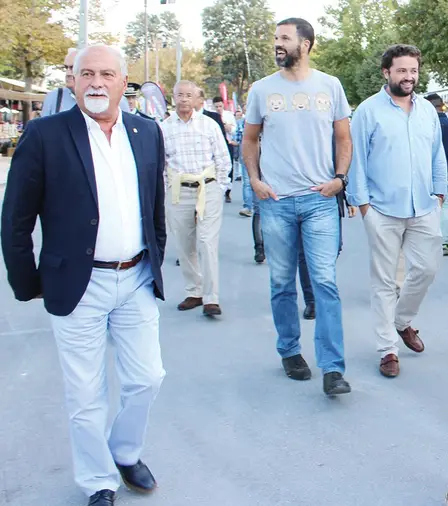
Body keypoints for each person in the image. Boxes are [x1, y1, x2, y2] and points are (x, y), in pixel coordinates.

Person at [1, 44, 167, 506]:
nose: (96, 82)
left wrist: (155, 260)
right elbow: (16, 216)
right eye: (86, 73)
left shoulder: (145, 131)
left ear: (123, 81)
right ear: (72, 81)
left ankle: (125, 451)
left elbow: (154, 207)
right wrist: (27, 281)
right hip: (78, 284)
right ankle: (98, 481)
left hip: (134, 279)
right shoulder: (44, 135)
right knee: (85, 394)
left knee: (147, 378)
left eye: (107, 74)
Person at [243, 17, 352, 396]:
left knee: (325, 282)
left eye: (284, 38)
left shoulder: (330, 86)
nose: (277, 43)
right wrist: (255, 181)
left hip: (319, 200)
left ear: (305, 44)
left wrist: (340, 179)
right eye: (275, 37)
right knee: (280, 282)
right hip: (276, 202)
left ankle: (333, 369)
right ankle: (290, 351)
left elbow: (343, 136)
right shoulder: (261, 90)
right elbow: (250, 140)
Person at [347, 44, 448, 378]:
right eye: (402, 70)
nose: (409, 76)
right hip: (382, 208)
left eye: (413, 70)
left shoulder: (426, 111)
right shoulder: (367, 111)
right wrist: (363, 205)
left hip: (423, 206)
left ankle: (402, 321)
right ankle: (387, 349)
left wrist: (439, 191)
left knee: (427, 269)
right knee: (384, 281)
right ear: (386, 72)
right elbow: (356, 158)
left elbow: (437, 154)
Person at [161, 80, 231, 317]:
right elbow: (161, 164)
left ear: (197, 100)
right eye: (179, 94)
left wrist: (220, 187)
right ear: (173, 97)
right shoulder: (164, 127)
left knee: (206, 241)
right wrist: (166, 191)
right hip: (179, 190)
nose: (183, 99)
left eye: (188, 95)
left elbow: (223, 158)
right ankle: (194, 291)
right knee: (184, 242)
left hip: (207, 188)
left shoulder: (209, 125)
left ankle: (212, 298)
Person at [425, 93, 448, 256]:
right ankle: (444, 243)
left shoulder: (425, 125)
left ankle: (428, 242)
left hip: (427, 172)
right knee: (446, 206)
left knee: (426, 208)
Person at [42, 48, 130, 117]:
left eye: (72, 68)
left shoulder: (118, 101)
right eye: (66, 68)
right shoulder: (54, 97)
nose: (68, 73)